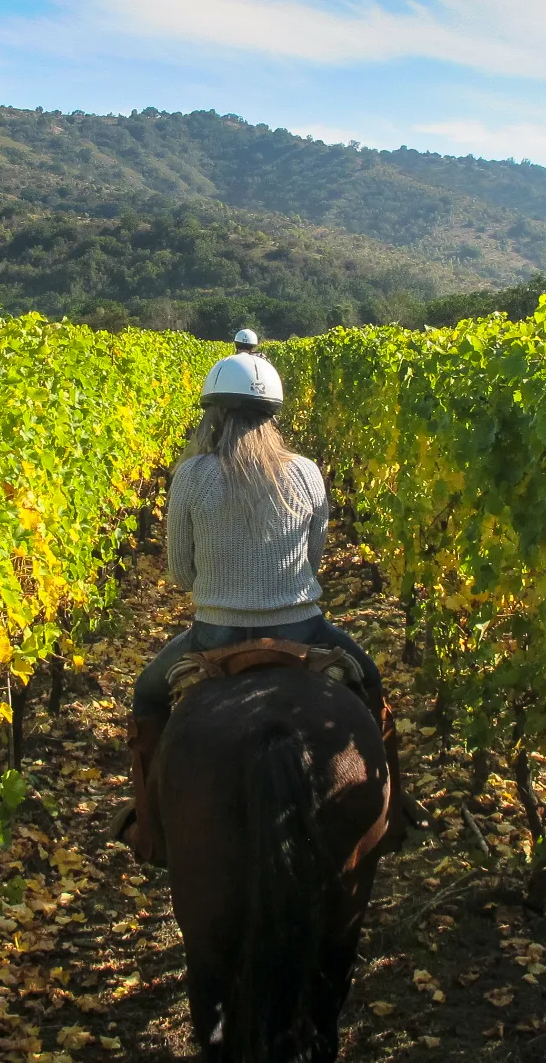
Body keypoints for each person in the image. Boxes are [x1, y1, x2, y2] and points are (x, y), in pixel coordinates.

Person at [110, 347, 423, 866]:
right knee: (370, 683)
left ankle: (149, 825)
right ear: (272, 415)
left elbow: (180, 573)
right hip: (304, 630)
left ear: (214, 413)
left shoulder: (191, 476)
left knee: (146, 695)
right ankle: (392, 813)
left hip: (214, 635)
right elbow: (314, 558)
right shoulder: (305, 472)